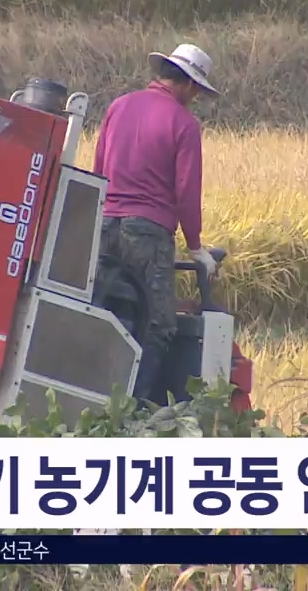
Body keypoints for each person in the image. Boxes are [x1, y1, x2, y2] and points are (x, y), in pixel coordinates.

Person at [92, 43, 220, 404]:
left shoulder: (118, 107)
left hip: (104, 228)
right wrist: (196, 248)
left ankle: (92, 400)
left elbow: (97, 171)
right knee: (158, 326)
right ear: (190, 85)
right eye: (197, 92)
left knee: (106, 313)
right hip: (147, 235)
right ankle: (132, 412)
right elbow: (186, 194)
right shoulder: (183, 123)